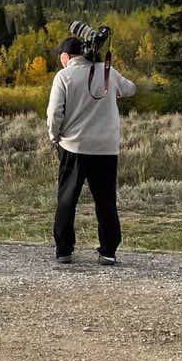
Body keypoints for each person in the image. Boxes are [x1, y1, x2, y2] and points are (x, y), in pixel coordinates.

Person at [47, 37, 136, 265]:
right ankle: (108, 251)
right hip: (106, 149)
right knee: (106, 201)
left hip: (74, 147)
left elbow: (55, 113)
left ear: (66, 57)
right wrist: (107, 75)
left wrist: (54, 137)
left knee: (67, 199)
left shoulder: (63, 76)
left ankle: (64, 249)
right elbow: (131, 89)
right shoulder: (108, 73)